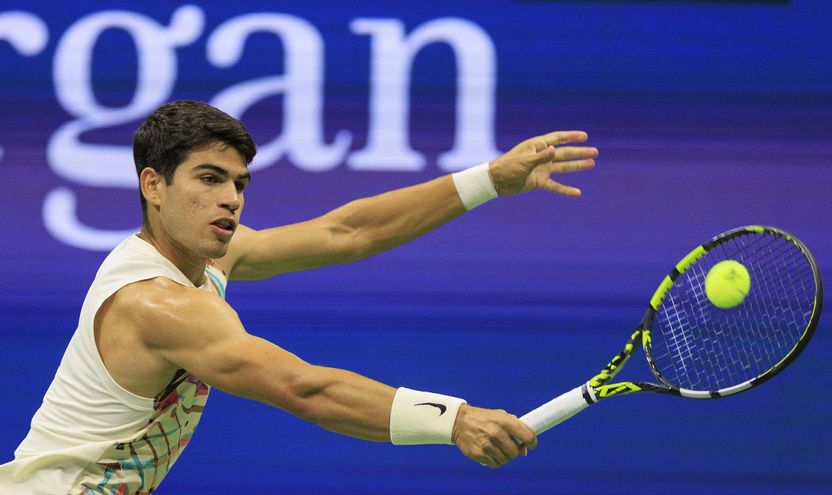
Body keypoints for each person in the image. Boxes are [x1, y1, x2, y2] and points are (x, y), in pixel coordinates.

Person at [0, 100, 598, 493]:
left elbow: (348, 233)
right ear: (152, 186)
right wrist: (455, 420)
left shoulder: (205, 259)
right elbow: (303, 388)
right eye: (209, 179)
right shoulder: (157, 304)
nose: (231, 198)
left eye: (238, 183)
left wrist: (488, 180)